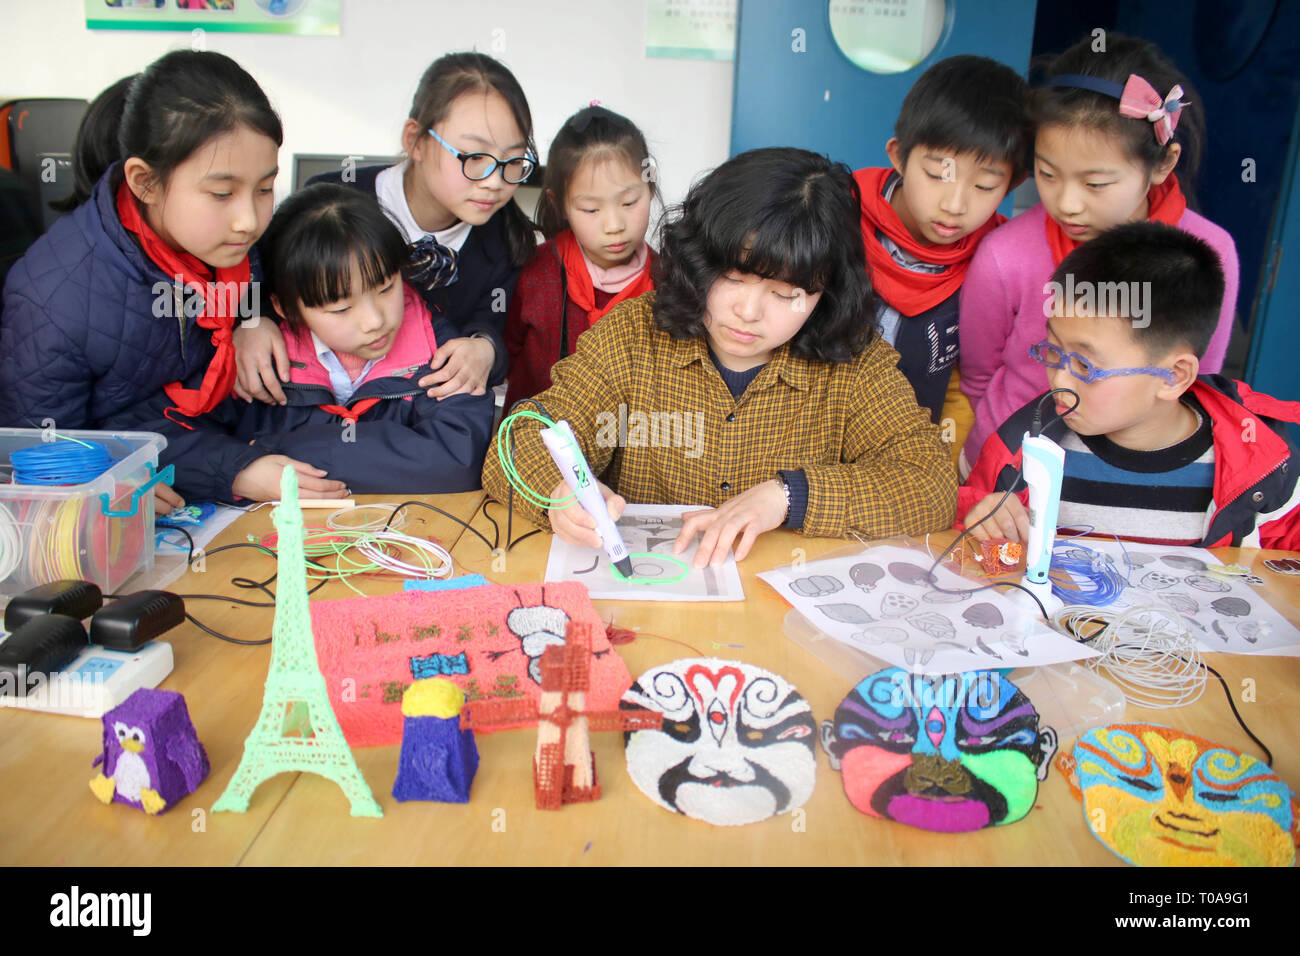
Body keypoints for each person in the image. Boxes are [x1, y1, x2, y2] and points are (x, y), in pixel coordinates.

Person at [482, 148, 956, 568]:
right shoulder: (632, 336)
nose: (748, 313)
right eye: (733, 278)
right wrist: (558, 495)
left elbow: (930, 484)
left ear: (824, 294)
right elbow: (518, 440)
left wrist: (789, 496)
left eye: (786, 293)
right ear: (699, 262)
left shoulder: (855, 363)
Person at [0, 51, 348, 507]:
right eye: (222, 193)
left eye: (265, 188)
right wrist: (119, 486)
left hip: (226, 445)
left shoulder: (224, 241)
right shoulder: (52, 300)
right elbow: (42, 463)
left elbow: (262, 276)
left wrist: (253, 317)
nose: (248, 219)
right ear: (145, 182)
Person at [958, 34, 1239, 471]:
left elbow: (1201, 383)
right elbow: (978, 377)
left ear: (1163, 164)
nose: (1067, 203)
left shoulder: (1208, 255)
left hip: (1137, 477)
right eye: (1047, 174)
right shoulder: (1005, 254)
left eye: (1095, 184)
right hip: (1009, 467)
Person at [959, 222, 1299, 550]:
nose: (1059, 381)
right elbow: (968, 531)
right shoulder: (1020, 448)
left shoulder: (1262, 463)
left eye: (1085, 366)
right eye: (1054, 351)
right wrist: (980, 524)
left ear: (1174, 376)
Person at [235, 52, 538, 406]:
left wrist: (485, 350)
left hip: (412, 417)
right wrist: (253, 321)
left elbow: (496, 326)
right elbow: (263, 280)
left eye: (514, 160)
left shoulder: (505, 240)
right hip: (311, 404)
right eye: (475, 158)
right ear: (416, 141)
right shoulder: (333, 202)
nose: (496, 181)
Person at [234, 185, 494, 493]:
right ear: (285, 308)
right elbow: (181, 440)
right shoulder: (259, 358)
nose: (375, 321)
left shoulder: (441, 353)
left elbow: (458, 459)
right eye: (342, 308)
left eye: (385, 288)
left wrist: (275, 452)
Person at [852, 55, 1030, 450]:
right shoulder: (838, 219)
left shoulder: (1000, 259)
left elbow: (972, 383)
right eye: (936, 176)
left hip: (918, 457)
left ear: (1013, 182)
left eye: (984, 186)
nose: (954, 204)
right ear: (899, 156)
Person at [504, 104, 656, 411]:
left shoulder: (669, 283)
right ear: (558, 203)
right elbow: (505, 353)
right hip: (536, 446)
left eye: (629, 202)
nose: (614, 225)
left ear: (650, 186)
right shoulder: (535, 275)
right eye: (591, 209)